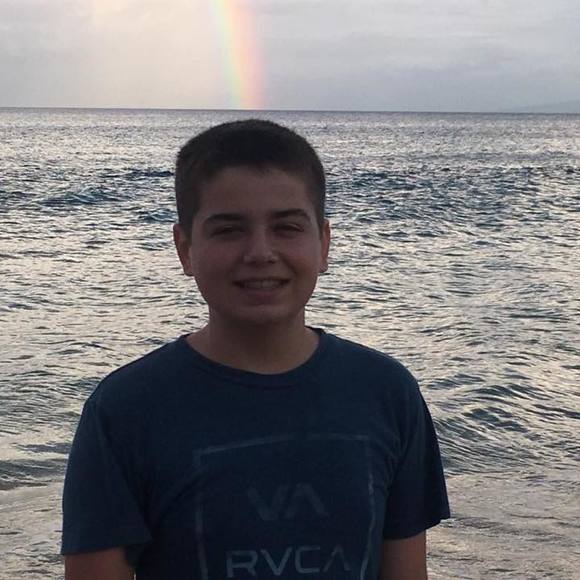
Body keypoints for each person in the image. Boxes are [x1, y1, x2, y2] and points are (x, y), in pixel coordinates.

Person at [61, 119, 450, 580]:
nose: (260, 252)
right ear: (185, 249)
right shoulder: (125, 411)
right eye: (229, 230)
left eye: (287, 227)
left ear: (324, 244)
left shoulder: (387, 392)